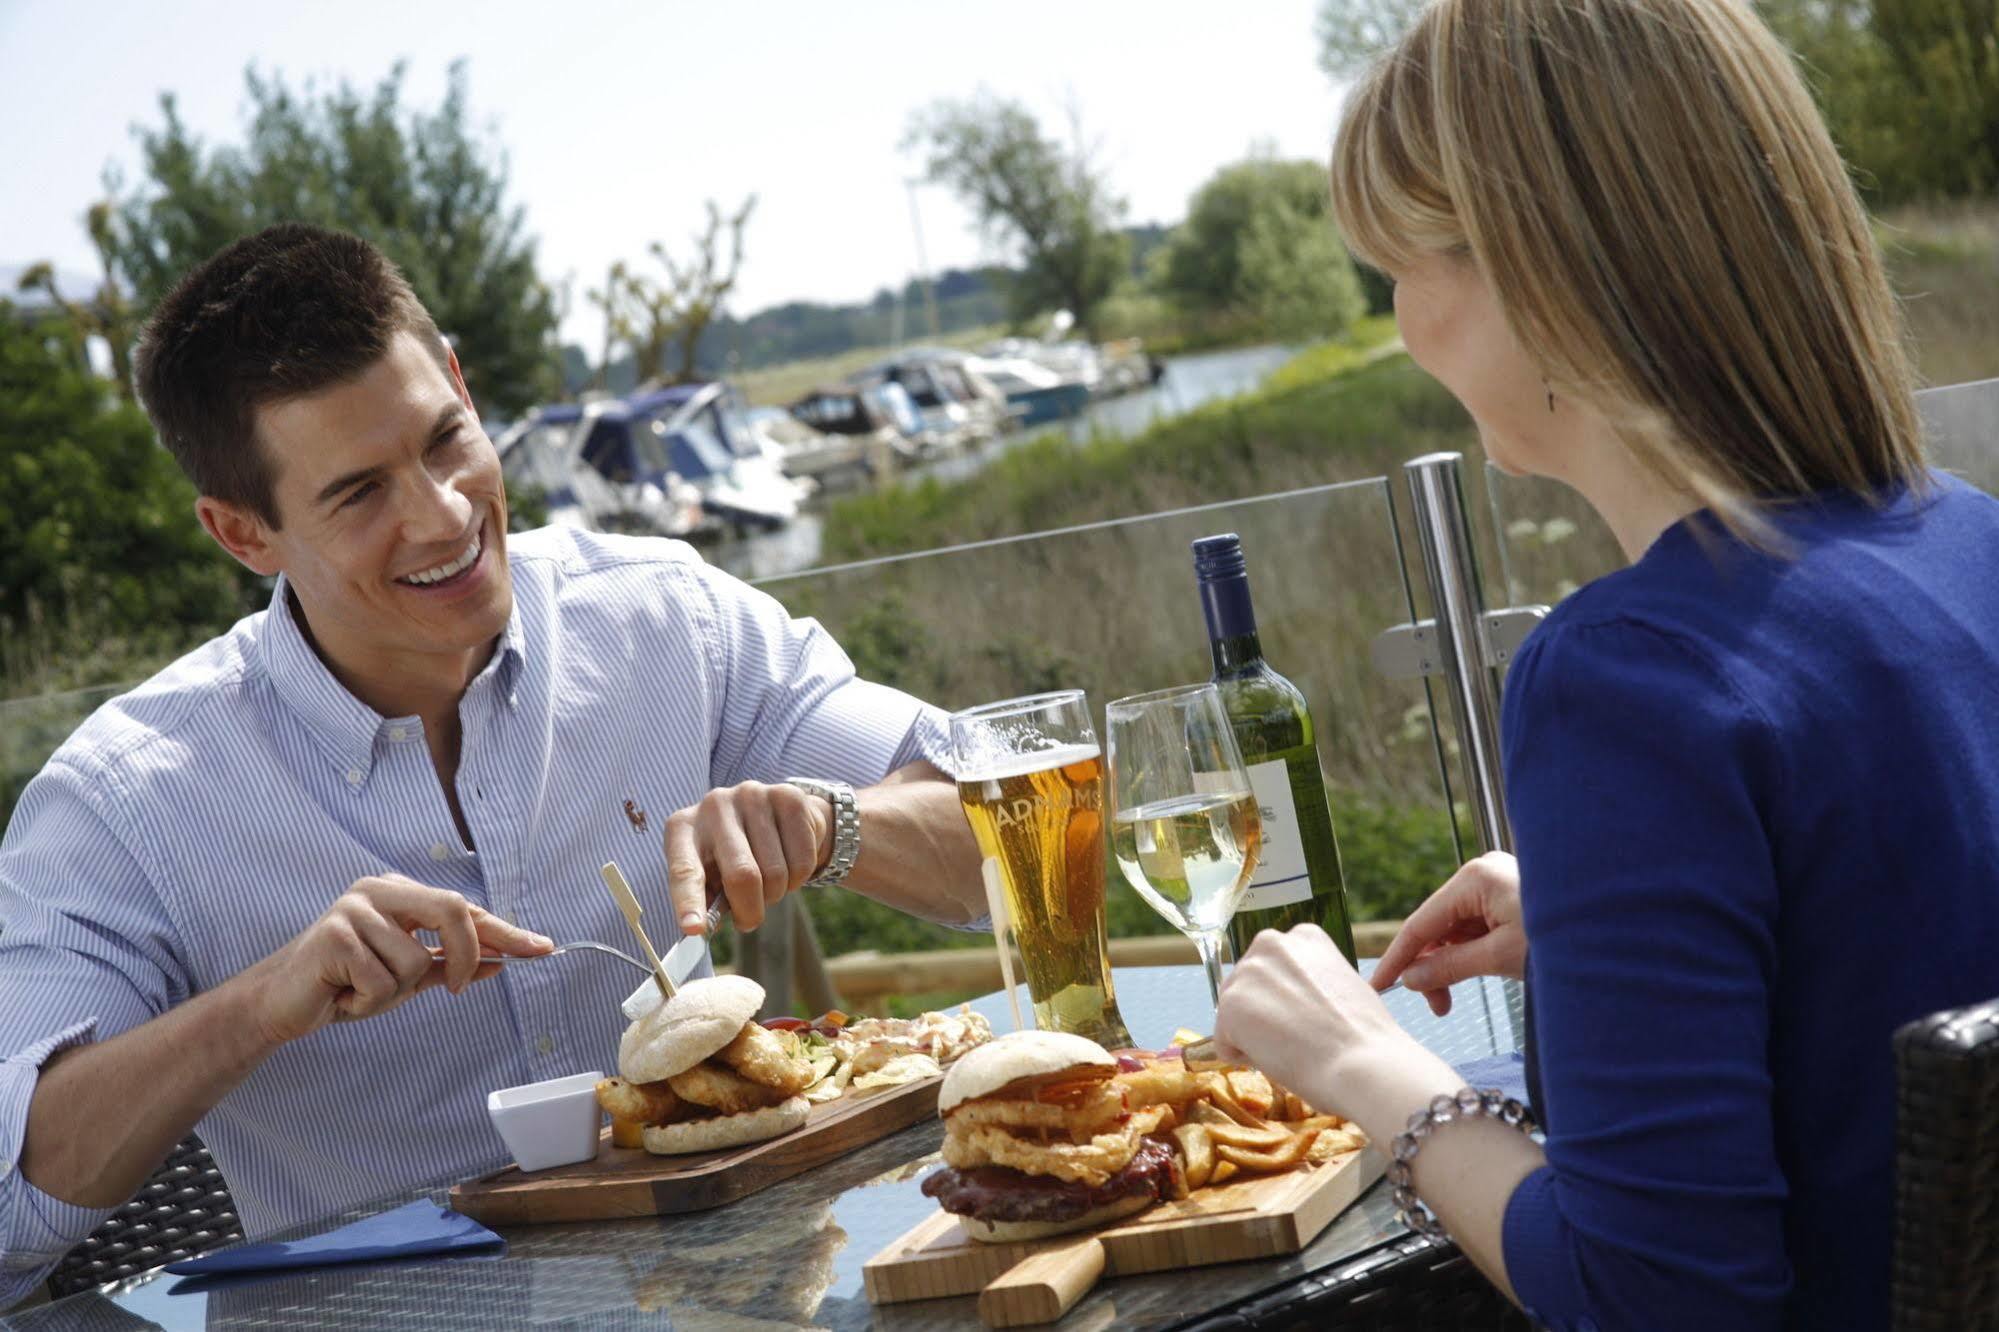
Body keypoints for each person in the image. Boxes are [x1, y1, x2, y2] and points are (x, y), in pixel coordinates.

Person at [0, 223, 986, 1306]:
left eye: (445, 440)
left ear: (464, 385)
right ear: (243, 533)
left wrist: (832, 823)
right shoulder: (123, 803)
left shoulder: (666, 618)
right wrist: (262, 1004)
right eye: (359, 493)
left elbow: (1004, 835)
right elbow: (8, 1219)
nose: (443, 513)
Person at [1211, 1, 1999, 1328]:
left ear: (1548, 273)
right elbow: (1916, 913)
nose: (1404, 324)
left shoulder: (1624, 681)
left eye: (1405, 262)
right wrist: (1624, 913)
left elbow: (1654, 1299)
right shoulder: (1967, 542)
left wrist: (1371, 1069)